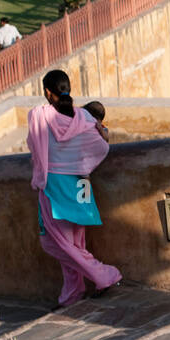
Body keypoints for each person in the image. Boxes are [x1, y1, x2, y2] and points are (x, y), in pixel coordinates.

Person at [29, 70, 121, 308]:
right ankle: (72, 293)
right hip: (81, 185)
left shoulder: (40, 115)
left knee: (53, 243)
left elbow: (33, 144)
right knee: (75, 244)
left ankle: (105, 275)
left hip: (56, 187)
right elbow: (102, 144)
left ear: (48, 93)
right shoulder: (86, 118)